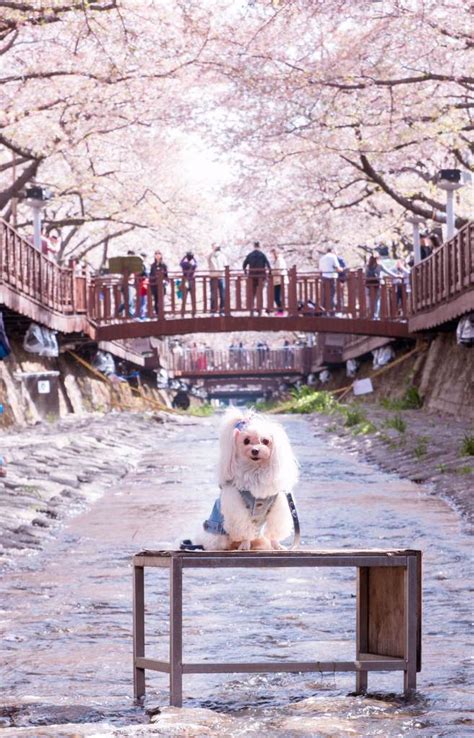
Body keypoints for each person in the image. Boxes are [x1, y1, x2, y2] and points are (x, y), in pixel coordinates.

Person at [242, 241, 271, 315]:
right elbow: (268, 265)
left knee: (253, 294)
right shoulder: (262, 255)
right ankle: (260, 310)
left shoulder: (250, 255)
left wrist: (246, 273)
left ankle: (252, 310)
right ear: (259, 246)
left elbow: (244, 265)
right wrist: (269, 274)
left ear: (254, 246)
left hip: (252, 277)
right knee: (260, 294)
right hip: (261, 277)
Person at [318, 246, 342, 313]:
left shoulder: (322, 258)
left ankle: (323, 311)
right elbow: (338, 268)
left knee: (324, 295)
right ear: (332, 251)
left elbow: (320, 270)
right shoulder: (333, 257)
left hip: (324, 278)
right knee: (331, 295)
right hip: (331, 277)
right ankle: (331, 311)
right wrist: (342, 270)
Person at [207, 243, 228, 315]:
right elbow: (226, 265)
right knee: (217, 294)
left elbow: (226, 265)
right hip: (217, 276)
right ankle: (217, 309)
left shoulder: (220, 256)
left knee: (220, 294)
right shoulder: (212, 256)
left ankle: (218, 309)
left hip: (217, 277)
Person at [149, 250, 169, 315]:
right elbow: (151, 275)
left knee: (161, 299)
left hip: (162, 285)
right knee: (156, 299)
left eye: (159, 254)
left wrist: (165, 281)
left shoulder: (164, 265)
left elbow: (166, 276)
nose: (157, 255)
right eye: (156, 254)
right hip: (154, 285)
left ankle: (162, 313)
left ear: (161, 255)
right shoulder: (152, 265)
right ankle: (157, 313)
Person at [270, 247, 288, 315]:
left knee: (277, 297)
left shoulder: (279, 260)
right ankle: (280, 310)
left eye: (273, 253)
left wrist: (272, 272)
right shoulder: (278, 260)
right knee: (277, 296)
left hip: (280, 280)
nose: (272, 255)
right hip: (278, 280)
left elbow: (279, 270)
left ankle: (281, 311)